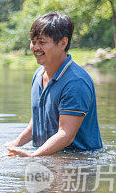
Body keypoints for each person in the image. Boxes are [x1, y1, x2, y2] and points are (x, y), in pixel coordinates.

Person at [7, 12, 102, 157]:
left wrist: (33, 157)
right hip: (46, 157)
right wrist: (14, 145)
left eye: (42, 42)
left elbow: (66, 134)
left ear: (63, 43)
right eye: (33, 42)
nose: (35, 47)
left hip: (78, 161)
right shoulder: (39, 75)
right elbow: (37, 121)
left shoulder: (76, 82)